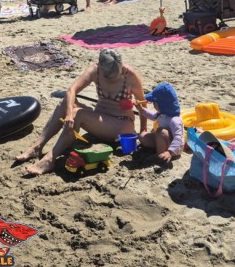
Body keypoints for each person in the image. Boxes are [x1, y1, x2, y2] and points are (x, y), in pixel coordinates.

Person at [17, 49, 147, 175]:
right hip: (99, 121)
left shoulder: (130, 76)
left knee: (79, 114)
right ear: (100, 67)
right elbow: (71, 90)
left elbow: (142, 104)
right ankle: (37, 147)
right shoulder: (95, 70)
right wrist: (68, 113)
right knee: (65, 102)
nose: (111, 78)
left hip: (121, 124)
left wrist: (143, 131)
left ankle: (50, 159)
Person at [138, 83, 184, 163]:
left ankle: (160, 155)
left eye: (154, 102)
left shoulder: (174, 120)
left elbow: (178, 138)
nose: (153, 104)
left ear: (162, 105)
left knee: (161, 132)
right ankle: (160, 149)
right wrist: (141, 110)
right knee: (143, 137)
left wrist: (169, 152)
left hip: (175, 149)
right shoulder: (163, 114)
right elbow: (152, 116)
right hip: (164, 140)